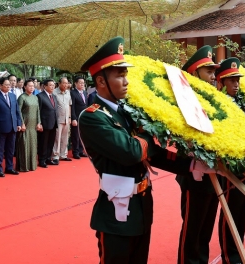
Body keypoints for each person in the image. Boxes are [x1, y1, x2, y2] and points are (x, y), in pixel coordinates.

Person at [78, 36, 215, 264]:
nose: (126, 81)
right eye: (119, 75)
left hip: (141, 206)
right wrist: (149, 134)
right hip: (116, 210)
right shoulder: (93, 117)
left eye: (126, 74)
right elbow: (132, 151)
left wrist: (191, 165)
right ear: (101, 82)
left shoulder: (126, 111)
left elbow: (153, 152)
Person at [177, 45, 221, 264]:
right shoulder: (185, 101)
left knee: (207, 224)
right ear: (194, 74)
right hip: (194, 171)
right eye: (209, 72)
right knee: (193, 226)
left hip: (216, 169)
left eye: (214, 72)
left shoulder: (214, 99)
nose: (213, 77)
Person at [215, 58, 245, 264]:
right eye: (231, 80)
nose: (236, 84)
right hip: (231, 166)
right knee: (231, 212)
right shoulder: (218, 104)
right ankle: (229, 256)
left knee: (242, 210)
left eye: (237, 80)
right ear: (220, 82)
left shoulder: (243, 102)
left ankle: (239, 253)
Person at [0, 77, 22, 177]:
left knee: (10, 149)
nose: (8, 86)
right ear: (0, 86)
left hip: (12, 126)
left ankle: (9, 167)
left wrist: (18, 123)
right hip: (0, 127)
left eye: (9, 85)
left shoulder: (13, 96)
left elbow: (17, 111)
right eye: (6, 85)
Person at [16, 79, 42, 172]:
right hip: (25, 125)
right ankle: (24, 166)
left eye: (33, 86)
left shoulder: (35, 97)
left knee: (33, 145)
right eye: (30, 86)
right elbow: (18, 111)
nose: (32, 87)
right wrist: (21, 123)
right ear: (25, 87)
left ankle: (32, 165)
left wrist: (39, 122)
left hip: (33, 126)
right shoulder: (22, 97)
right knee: (24, 145)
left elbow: (38, 110)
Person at [37, 79, 58, 167]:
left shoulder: (54, 96)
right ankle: (42, 160)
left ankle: (48, 158)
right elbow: (38, 111)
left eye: (53, 85)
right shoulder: (40, 96)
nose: (52, 87)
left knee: (51, 142)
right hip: (44, 123)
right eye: (50, 85)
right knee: (43, 143)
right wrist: (39, 123)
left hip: (53, 122)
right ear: (45, 86)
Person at [52, 77, 72, 163]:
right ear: (59, 83)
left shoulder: (68, 92)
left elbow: (69, 105)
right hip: (58, 119)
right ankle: (55, 156)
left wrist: (70, 117)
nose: (65, 85)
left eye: (66, 83)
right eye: (64, 83)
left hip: (67, 119)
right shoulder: (54, 92)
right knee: (57, 138)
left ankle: (63, 155)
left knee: (65, 138)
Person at [70, 76, 88, 159]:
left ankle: (81, 151)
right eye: (80, 83)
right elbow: (72, 107)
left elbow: (85, 105)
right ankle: (75, 152)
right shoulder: (73, 93)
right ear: (75, 83)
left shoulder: (84, 92)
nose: (82, 84)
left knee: (82, 135)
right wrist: (73, 118)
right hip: (76, 117)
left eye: (83, 83)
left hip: (83, 117)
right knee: (75, 135)